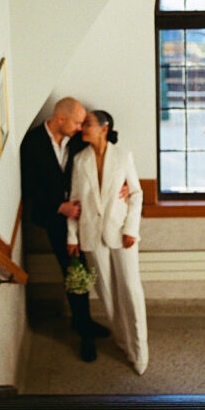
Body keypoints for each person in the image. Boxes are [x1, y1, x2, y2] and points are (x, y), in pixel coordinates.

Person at [20, 96, 111, 362]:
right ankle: (84, 332)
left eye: (84, 123)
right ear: (60, 119)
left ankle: (82, 322)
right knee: (75, 272)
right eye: (77, 122)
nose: (81, 127)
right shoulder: (31, 144)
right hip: (55, 219)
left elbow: (106, 144)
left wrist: (123, 183)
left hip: (85, 216)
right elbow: (29, 187)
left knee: (86, 268)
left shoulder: (76, 138)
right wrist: (60, 207)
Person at [67, 110, 149, 376]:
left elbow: (136, 194)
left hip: (122, 234)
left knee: (130, 290)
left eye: (87, 124)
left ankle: (140, 352)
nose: (82, 128)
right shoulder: (79, 160)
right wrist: (72, 236)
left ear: (104, 128)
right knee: (106, 294)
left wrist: (131, 229)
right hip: (91, 235)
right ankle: (123, 341)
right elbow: (75, 201)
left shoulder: (123, 156)